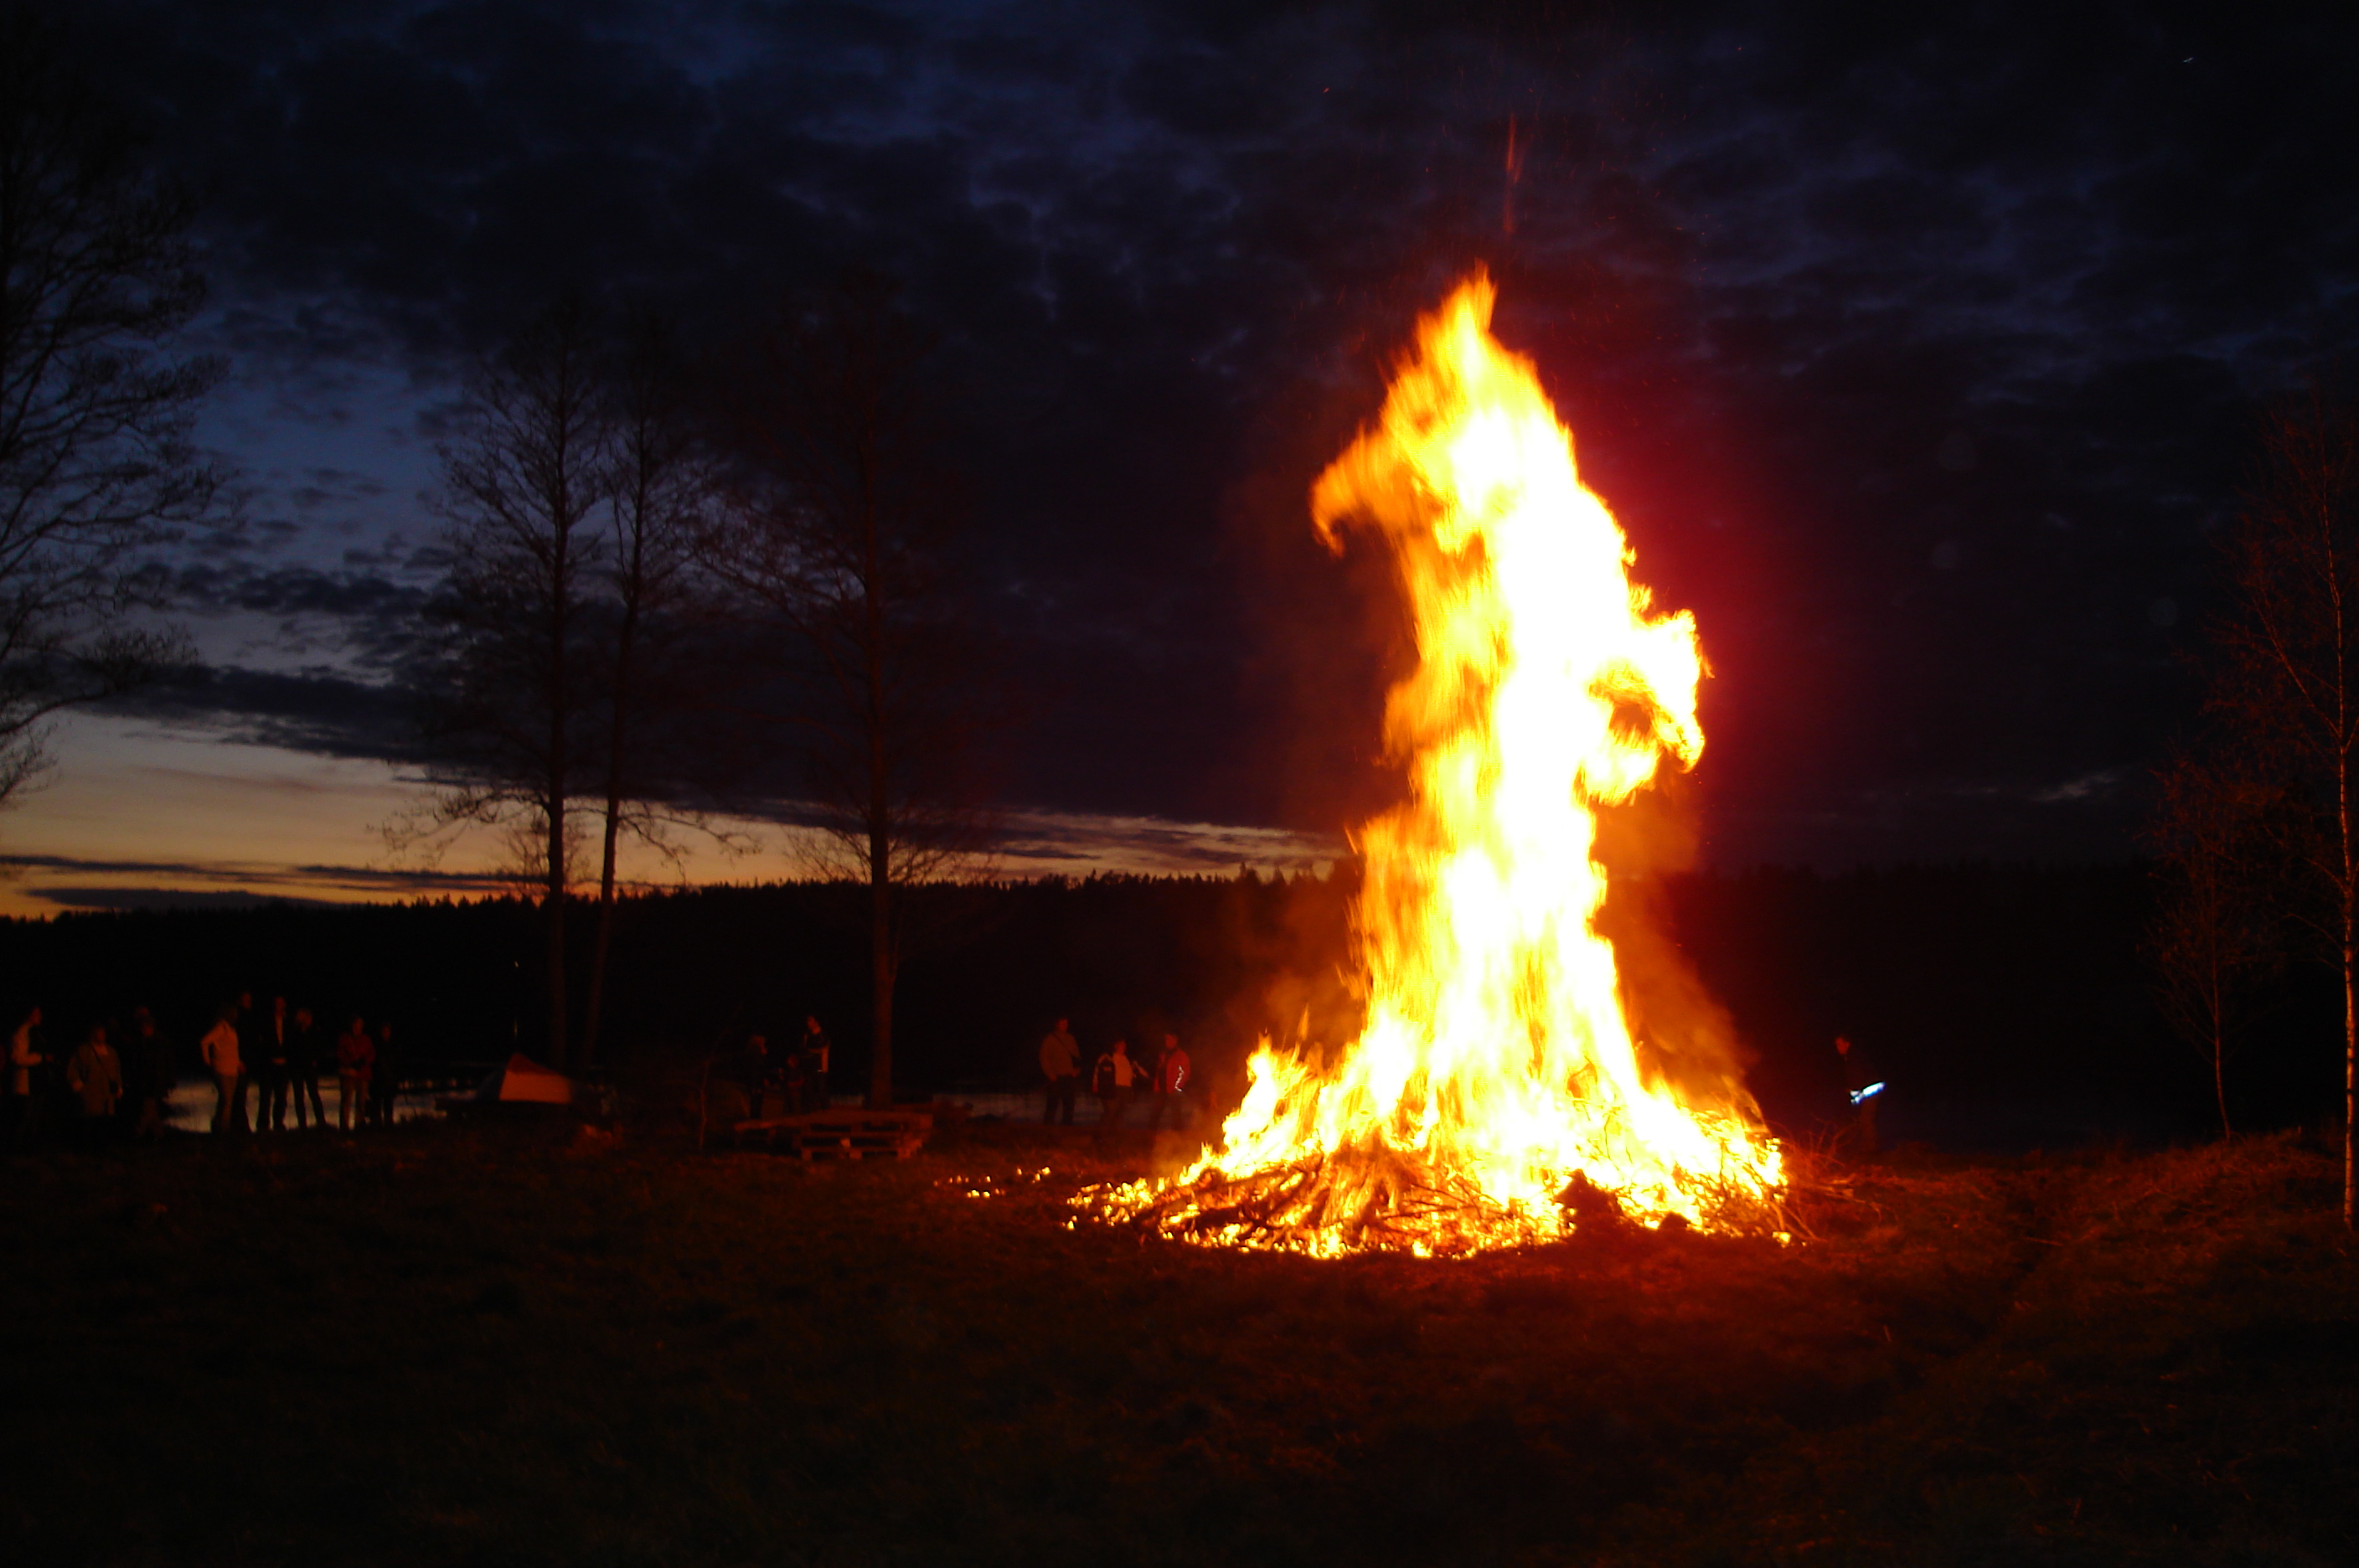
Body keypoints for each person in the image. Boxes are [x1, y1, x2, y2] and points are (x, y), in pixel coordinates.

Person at [65, 1023, 123, 1142]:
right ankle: (86, 1147)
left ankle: (101, 1147)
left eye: (103, 1033)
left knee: (104, 1121)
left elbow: (116, 1071)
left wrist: (118, 1086)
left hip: (107, 1093)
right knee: (90, 1120)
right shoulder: (83, 1051)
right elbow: (73, 1069)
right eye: (99, 1033)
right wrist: (77, 1083)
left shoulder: (111, 1051)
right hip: (90, 1092)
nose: (101, 1035)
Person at [123, 1008, 173, 1142]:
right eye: (142, 1028)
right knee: (151, 1110)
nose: (143, 1030)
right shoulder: (140, 1043)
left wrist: (170, 1080)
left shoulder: (161, 1043)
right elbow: (134, 1063)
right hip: (144, 1081)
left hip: (154, 1081)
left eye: (145, 1028)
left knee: (147, 1109)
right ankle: (159, 1134)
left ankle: (138, 1133)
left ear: (151, 1027)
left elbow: (168, 1062)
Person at [7, 1005, 49, 1148]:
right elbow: (18, 1058)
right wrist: (41, 1058)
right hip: (27, 1083)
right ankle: (16, 1148)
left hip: (37, 1082)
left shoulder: (36, 1033)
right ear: (28, 1015)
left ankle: (29, 1147)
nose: (40, 1016)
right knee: (24, 1118)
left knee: (34, 1118)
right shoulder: (22, 1033)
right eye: (37, 1013)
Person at [199, 1007, 242, 1135]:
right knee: (227, 1099)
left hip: (232, 1069)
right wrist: (208, 1060)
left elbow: (232, 1050)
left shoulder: (231, 1029)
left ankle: (218, 1125)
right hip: (221, 1069)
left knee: (226, 1100)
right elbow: (204, 1042)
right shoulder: (220, 1028)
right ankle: (223, 1129)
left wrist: (238, 1063)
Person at [1835, 1035, 1881, 1156]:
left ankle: (1871, 1151)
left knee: (1866, 1119)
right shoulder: (1852, 1056)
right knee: (1863, 1119)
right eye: (1837, 1045)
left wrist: (1854, 1093)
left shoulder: (1853, 1057)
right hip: (1869, 1089)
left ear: (1847, 1044)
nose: (1838, 1048)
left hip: (1871, 1090)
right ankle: (1864, 1148)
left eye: (1840, 1044)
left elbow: (1856, 1077)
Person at [286, 1007, 327, 1130]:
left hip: (309, 1067)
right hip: (297, 1067)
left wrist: (315, 1060)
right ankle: (302, 1124)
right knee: (299, 1096)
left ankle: (321, 1122)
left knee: (313, 1093)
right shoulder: (294, 1031)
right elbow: (291, 1048)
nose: (309, 1020)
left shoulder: (314, 1031)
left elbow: (320, 1048)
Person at [256, 997, 292, 1132]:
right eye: (277, 1003)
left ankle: (278, 1122)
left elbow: (291, 1042)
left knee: (281, 1096)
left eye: (282, 1003)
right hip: (268, 1064)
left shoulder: (288, 1022)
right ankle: (263, 1124)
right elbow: (262, 1041)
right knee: (265, 1095)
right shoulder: (266, 1021)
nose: (280, 1006)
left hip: (283, 1064)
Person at [1039, 1017, 1081, 1126]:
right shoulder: (1050, 1038)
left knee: (1069, 1104)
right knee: (1052, 1104)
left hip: (1069, 1076)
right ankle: (1047, 1128)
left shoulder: (1071, 1038)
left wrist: (1077, 1069)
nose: (1065, 1025)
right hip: (1056, 1076)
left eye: (1066, 1023)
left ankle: (1066, 1128)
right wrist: (1050, 1073)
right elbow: (1044, 1057)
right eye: (1062, 1023)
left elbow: (1076, 1055)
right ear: (1057, 1025)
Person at [335, 1016, 374, 1132]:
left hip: (363, 1074)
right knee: (346, 1100)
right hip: (349, 1074)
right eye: (356, 1024)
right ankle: (344, 1126)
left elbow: (371, 1054)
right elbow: (340, 1053)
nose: (357, 1027)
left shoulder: (366, 1039)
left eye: (360, 1024)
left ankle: (359, 1124)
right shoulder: (345, 1038)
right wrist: (350, 1063)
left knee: (361, 1101)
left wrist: (363, 1062)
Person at [1092, 1037, 1138, 1132]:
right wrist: (1095, 1083)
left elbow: (1136, 1071)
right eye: (1121, 1044)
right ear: (1115, 1045)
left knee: (1120, 1114)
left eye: (1124, 1045)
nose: (1123, 1047)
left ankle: (1115, 1136)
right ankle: (1101, 1137)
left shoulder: (1128, 1059)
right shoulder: (1107, 1057)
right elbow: (1097, 1070)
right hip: (1113, 1088)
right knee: (1110, 1112)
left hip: (1126, 1089)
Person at [1149, 1033, 1192, 1132]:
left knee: (1176, 1114)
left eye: (1169, 1039)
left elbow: (1185, 1073)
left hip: (1173, 1090)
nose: (1167, 1042)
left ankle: (1178, 1136)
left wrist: (1176, 1087)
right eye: (1166, 1039)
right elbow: (1159, 1071)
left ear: (1175, 1040)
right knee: (1156, 1112)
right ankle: (1150, 1135)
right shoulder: (1163, 1055)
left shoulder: (1181, 1055)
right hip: (1162, 1088)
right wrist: (1157, 1085)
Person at [369, 1020, 400, 1127]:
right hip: (378, 1079)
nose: (386, 1033)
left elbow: (396, 1063)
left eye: (388, 1030)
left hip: (389, 1079)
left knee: (388, 1103)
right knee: (377, 1103)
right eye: (384, 1030)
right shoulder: (376, 1045)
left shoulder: (393, 1046)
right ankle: (376, 1124)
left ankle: (388, 1123)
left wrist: (396, 1077)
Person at [800, 1016, 831, 1111]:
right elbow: (803, 1048)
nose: (808, 1024)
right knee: (809, 1086)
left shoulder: (823, 1034)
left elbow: (822, 1048)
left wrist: (812, 1051)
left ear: (816, 1023)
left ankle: (824, 1107)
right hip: (809, 1064)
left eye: (811, 1021)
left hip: (820, 1064)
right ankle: (811, 1106)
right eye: (808, 1022)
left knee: (821, 1086)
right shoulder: (807, 1035)